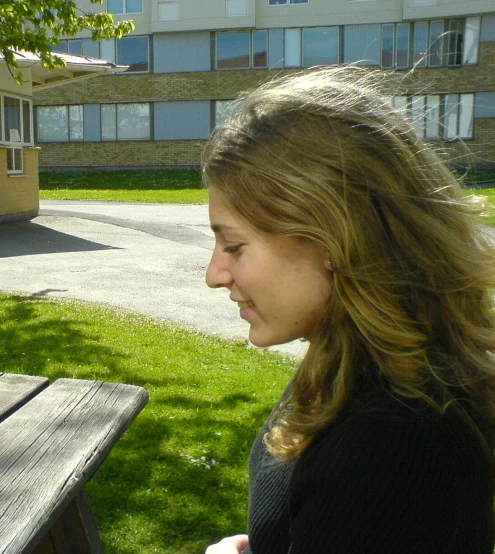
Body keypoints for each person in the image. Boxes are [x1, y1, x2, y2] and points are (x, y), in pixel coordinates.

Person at [201, 67, 495, 554]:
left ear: (334, 240)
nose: (214, 274)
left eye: (233, 246)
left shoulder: (388, 452)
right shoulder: (352, 367)